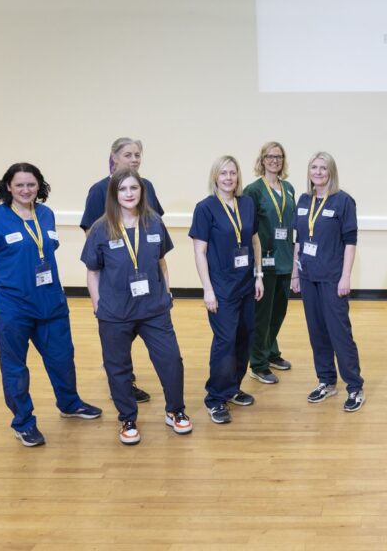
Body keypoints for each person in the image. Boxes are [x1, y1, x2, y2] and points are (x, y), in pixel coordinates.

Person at [0, 163, 102, 447]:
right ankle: (23, 422)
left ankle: (69, 404)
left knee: (62, 358)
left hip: (51, 303)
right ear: (8, 187)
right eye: (19, 185)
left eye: (31, 184)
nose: (26, 190)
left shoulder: (46, 214)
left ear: (39, 185)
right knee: (15, 368)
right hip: (13, 308)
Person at [82, 168, 191, 445]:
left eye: (134, 188)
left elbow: (162, 263)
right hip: (115, 312)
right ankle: (128, 418)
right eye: (123, 189)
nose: (129, 194)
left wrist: (166, 293)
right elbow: (93, 272)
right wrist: (98, 305)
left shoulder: (153, 223)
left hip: (153, 309)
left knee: (171, 361)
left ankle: (175, 410)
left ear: (141, 192)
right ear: (114, 194)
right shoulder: (100, 228)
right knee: (117, 367)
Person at [80, 137, 165, 404]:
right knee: (118, 339)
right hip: (114, 279)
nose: (134, 159)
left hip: (144, 277)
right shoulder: (99, 190)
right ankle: (123, 383)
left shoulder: (146, 186)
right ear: (114, 157)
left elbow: (154, 223)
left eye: (138, 154)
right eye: (128, 154)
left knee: (149, 331)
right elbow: (90, 233)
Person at [189, 156, 264, 424]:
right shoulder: (205, 208)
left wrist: (258, 275)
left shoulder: (247, 204)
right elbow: (200, 252)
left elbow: (254, 240)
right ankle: (216, 398)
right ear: (215, 177)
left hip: (246, 285)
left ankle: (233, 388)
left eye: (233, 173)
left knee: (245, 337)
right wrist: (207, 290)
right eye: (223, 173)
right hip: (221, 288)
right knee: (225, 342)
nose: (229, 178)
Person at [290, 152, 365, 411]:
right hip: (308, 276)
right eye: (314, 167)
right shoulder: (303, 200)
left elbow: (350, 243)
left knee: (339, 332)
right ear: (309, 171)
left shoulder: (344, 201)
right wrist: (295, 273)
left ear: (331, 172)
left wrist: (346, 276)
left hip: (333, 277)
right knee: (317, 332)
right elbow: (299, 240)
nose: (318, 172)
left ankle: (354, 386)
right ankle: (326, 381)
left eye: (324, 168)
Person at [243, 142, 296, 385]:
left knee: (279, 312)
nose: (275, 160)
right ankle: (258, 363)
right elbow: (247, 229)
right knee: (262, 316)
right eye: (270, 156)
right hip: (264, 260)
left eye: (279, 156)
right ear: (262, 160)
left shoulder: (289, 188)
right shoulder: (253, 190)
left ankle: (271, 351)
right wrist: (254, 268)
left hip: (285, 258)